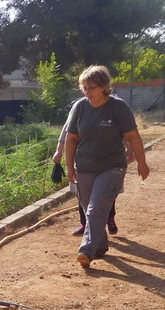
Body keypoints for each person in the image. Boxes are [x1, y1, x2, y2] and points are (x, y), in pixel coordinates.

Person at [64, 65, 150, 269]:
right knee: (89, 208)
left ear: (104, 87)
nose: (87, 92)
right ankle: (100, 245)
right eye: (84, 88)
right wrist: (70, 166)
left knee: (96, 208)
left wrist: (142, 162)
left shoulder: (118, 107)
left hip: (112, 166)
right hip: (85, 166)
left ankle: (86, 250)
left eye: (91, 87)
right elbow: (71, 139)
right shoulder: (80, 107)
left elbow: (132, 137)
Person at [53, 103, 119, 236]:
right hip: (83, 160)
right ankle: (85, 224)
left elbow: (121, 131)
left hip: (106, 159)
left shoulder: (109, 111)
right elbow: (66, 132)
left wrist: (127, 148)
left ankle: (110, 219)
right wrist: (59, 151)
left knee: (106, 192)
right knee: (82, 194)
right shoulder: (78, 110)